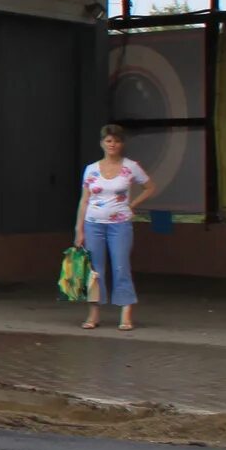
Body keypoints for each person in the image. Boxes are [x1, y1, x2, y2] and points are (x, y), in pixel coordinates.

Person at [76, 122, 153, 331]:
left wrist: (133, 204)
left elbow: (149, 187)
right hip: (93, 224)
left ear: (122, 144)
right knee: (95, 269)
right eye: (109, 140)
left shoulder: (130, 166)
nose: (112, 144)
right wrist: (79, 229)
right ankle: (94, 312)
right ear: (102, 143)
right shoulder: (91, 169)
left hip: (120, 224)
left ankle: (126, 311)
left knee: (121, 266)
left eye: (117, 141)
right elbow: (84, 200)